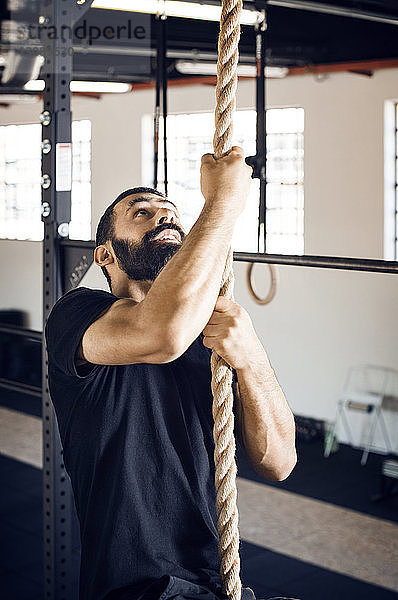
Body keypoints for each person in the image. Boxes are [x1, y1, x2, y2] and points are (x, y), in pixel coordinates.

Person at [45, 147, 297, 600]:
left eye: (171, 214)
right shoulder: (78, 314)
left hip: (216, 582)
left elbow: (280, 462)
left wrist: (251, 355)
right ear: (105, 255)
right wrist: (221, 203)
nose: (164, 218)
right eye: (142, 213)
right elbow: (161, 334)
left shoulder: (211, 342)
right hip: (141, 589)